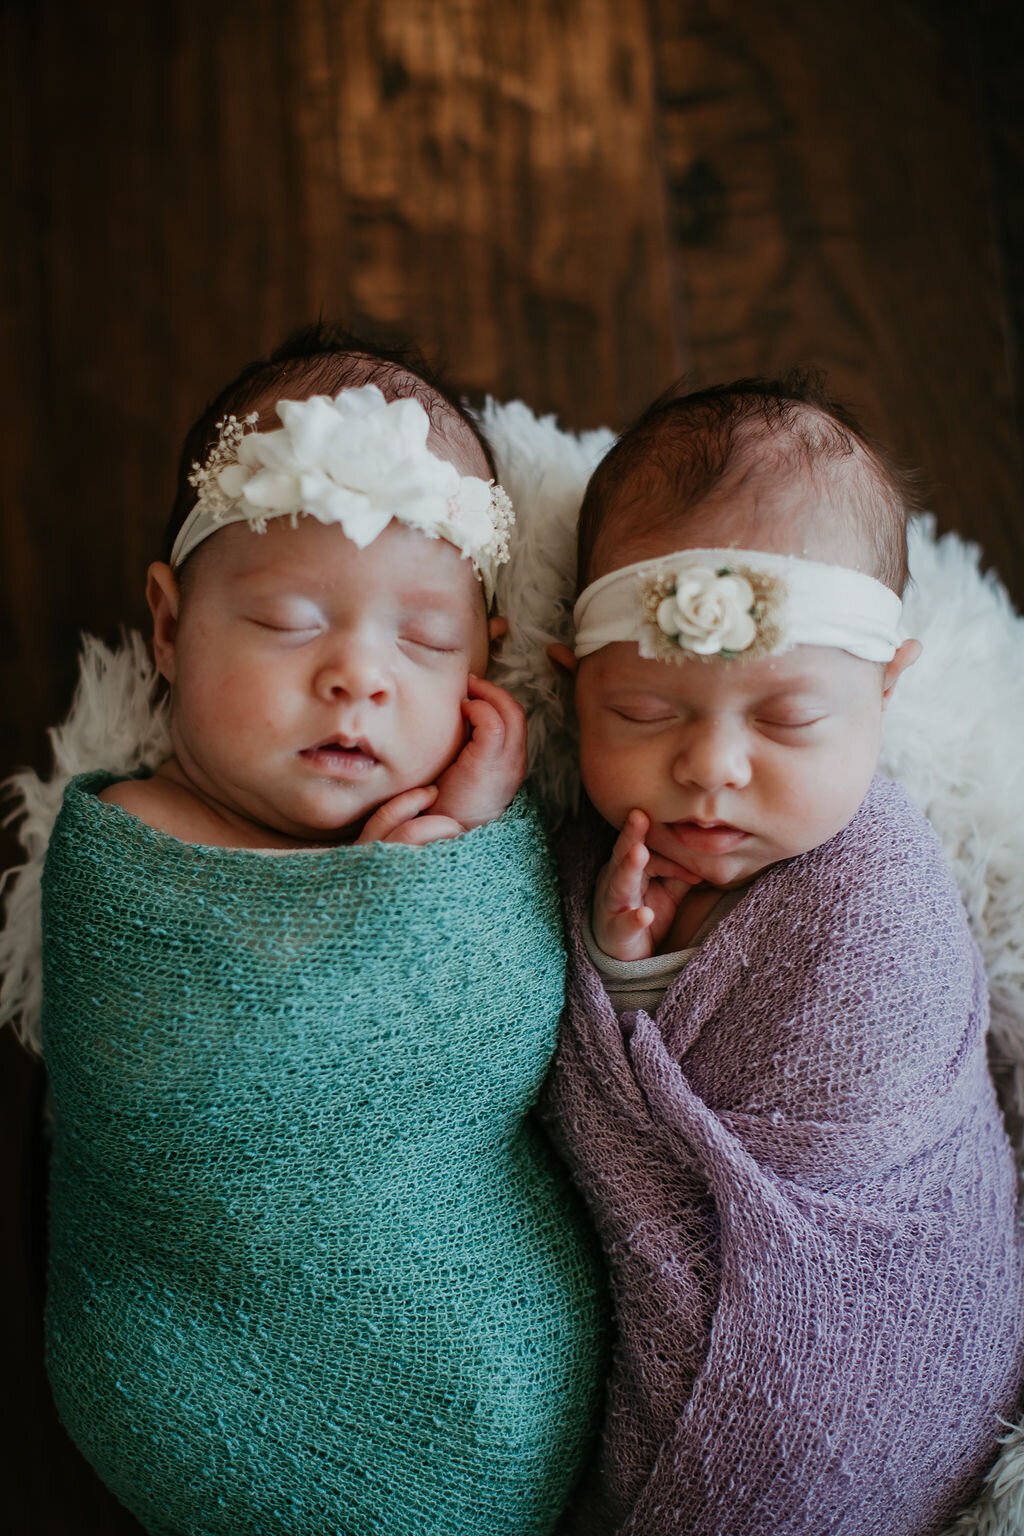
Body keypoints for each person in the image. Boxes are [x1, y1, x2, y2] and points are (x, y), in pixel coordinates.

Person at [40, 325, 605, 1536]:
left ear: (485, 666)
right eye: (292, 621)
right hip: (181, 1363)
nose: (359, 675)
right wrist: (392, 889)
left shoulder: (474, 840)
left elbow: (502, 1029)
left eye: (425, 641)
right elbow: (158, 1080)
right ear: (169, 624)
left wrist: (459, 838)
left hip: (478, 1369)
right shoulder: (132, 841)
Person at [543, 375, 1024, 1535]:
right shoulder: (580, 865)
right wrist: (619, 961)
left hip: (884, 1322)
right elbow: (611, 1110)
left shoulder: (875, 886)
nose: (712, 768)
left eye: (789, 720)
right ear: (568, 687)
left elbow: (852, 1111)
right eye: (647, 712)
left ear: (883, 691)